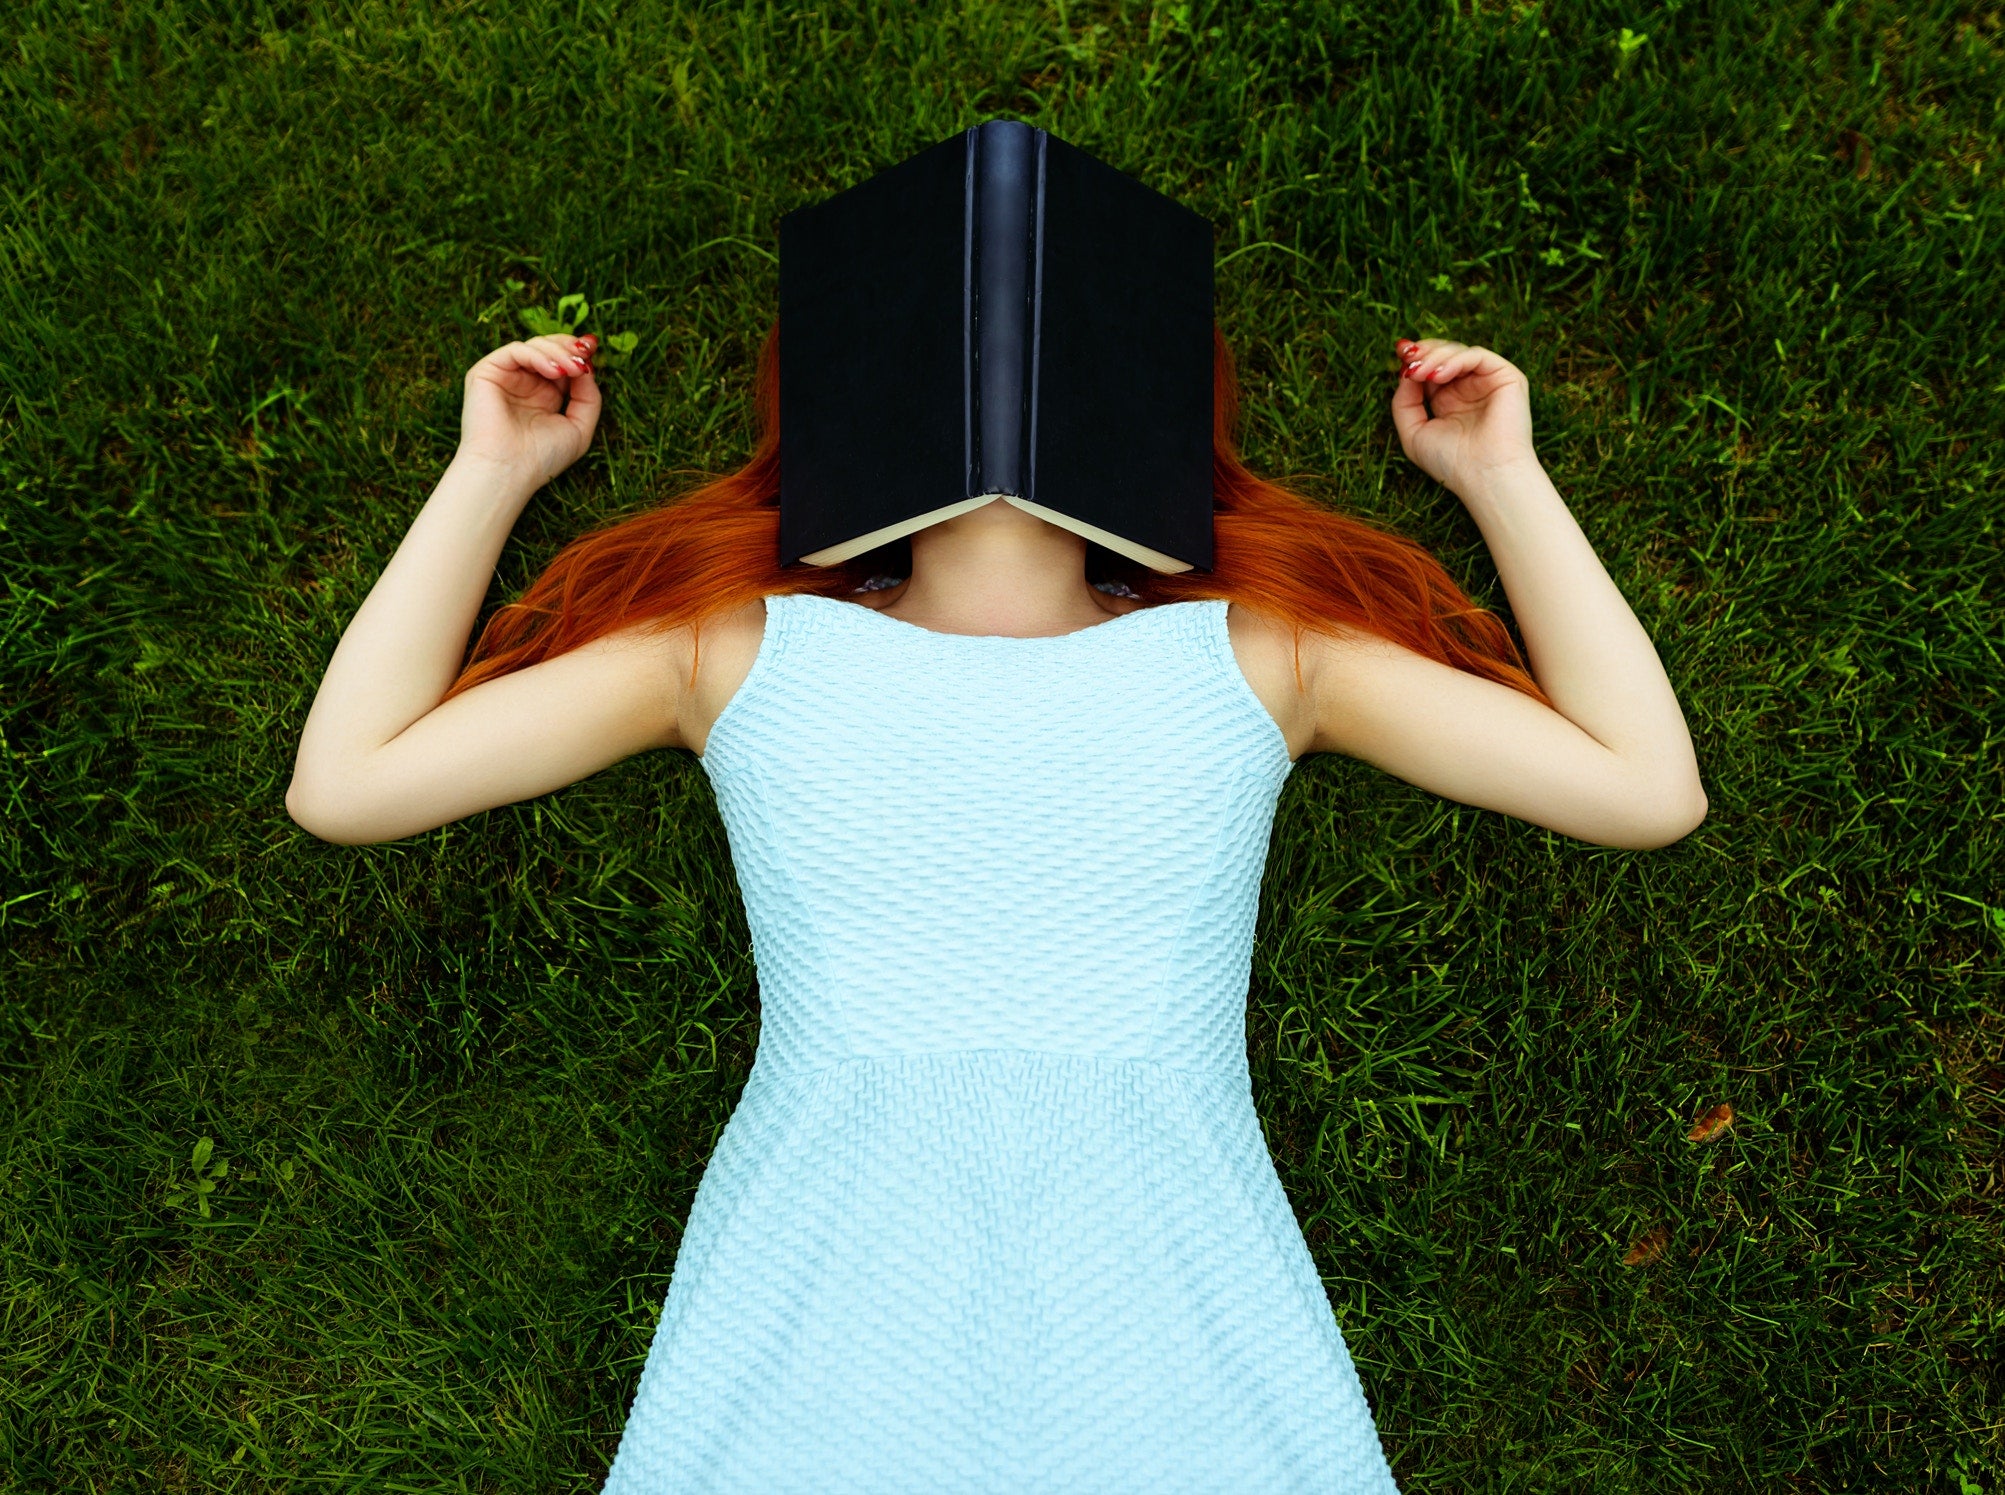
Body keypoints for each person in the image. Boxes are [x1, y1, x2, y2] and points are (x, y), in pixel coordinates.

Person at [286, 323, 1706, 1491]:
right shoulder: (731, 648)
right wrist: (491, 471)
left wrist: (1501, 477)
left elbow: (1644, 791)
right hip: (827, 1305)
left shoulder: (1262, 653)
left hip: (1168, 1309)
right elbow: (346, 786)